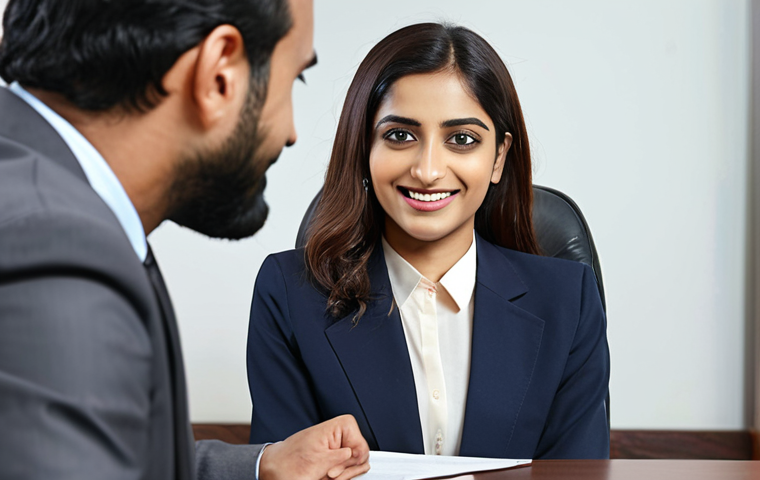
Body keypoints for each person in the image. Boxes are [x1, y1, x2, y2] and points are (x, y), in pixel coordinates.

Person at [0, 0, 370, 479]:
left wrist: (263, 465)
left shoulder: (43, 198)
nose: (292, 132)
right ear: (221, 73)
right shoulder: (56, 249)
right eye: (294, 79)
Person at [247, 22, 610, 460]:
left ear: (498, 157)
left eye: (462, 139)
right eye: (400, 135)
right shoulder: (287, 295)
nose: (428, 169)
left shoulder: (568, 300)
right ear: (364, 147)